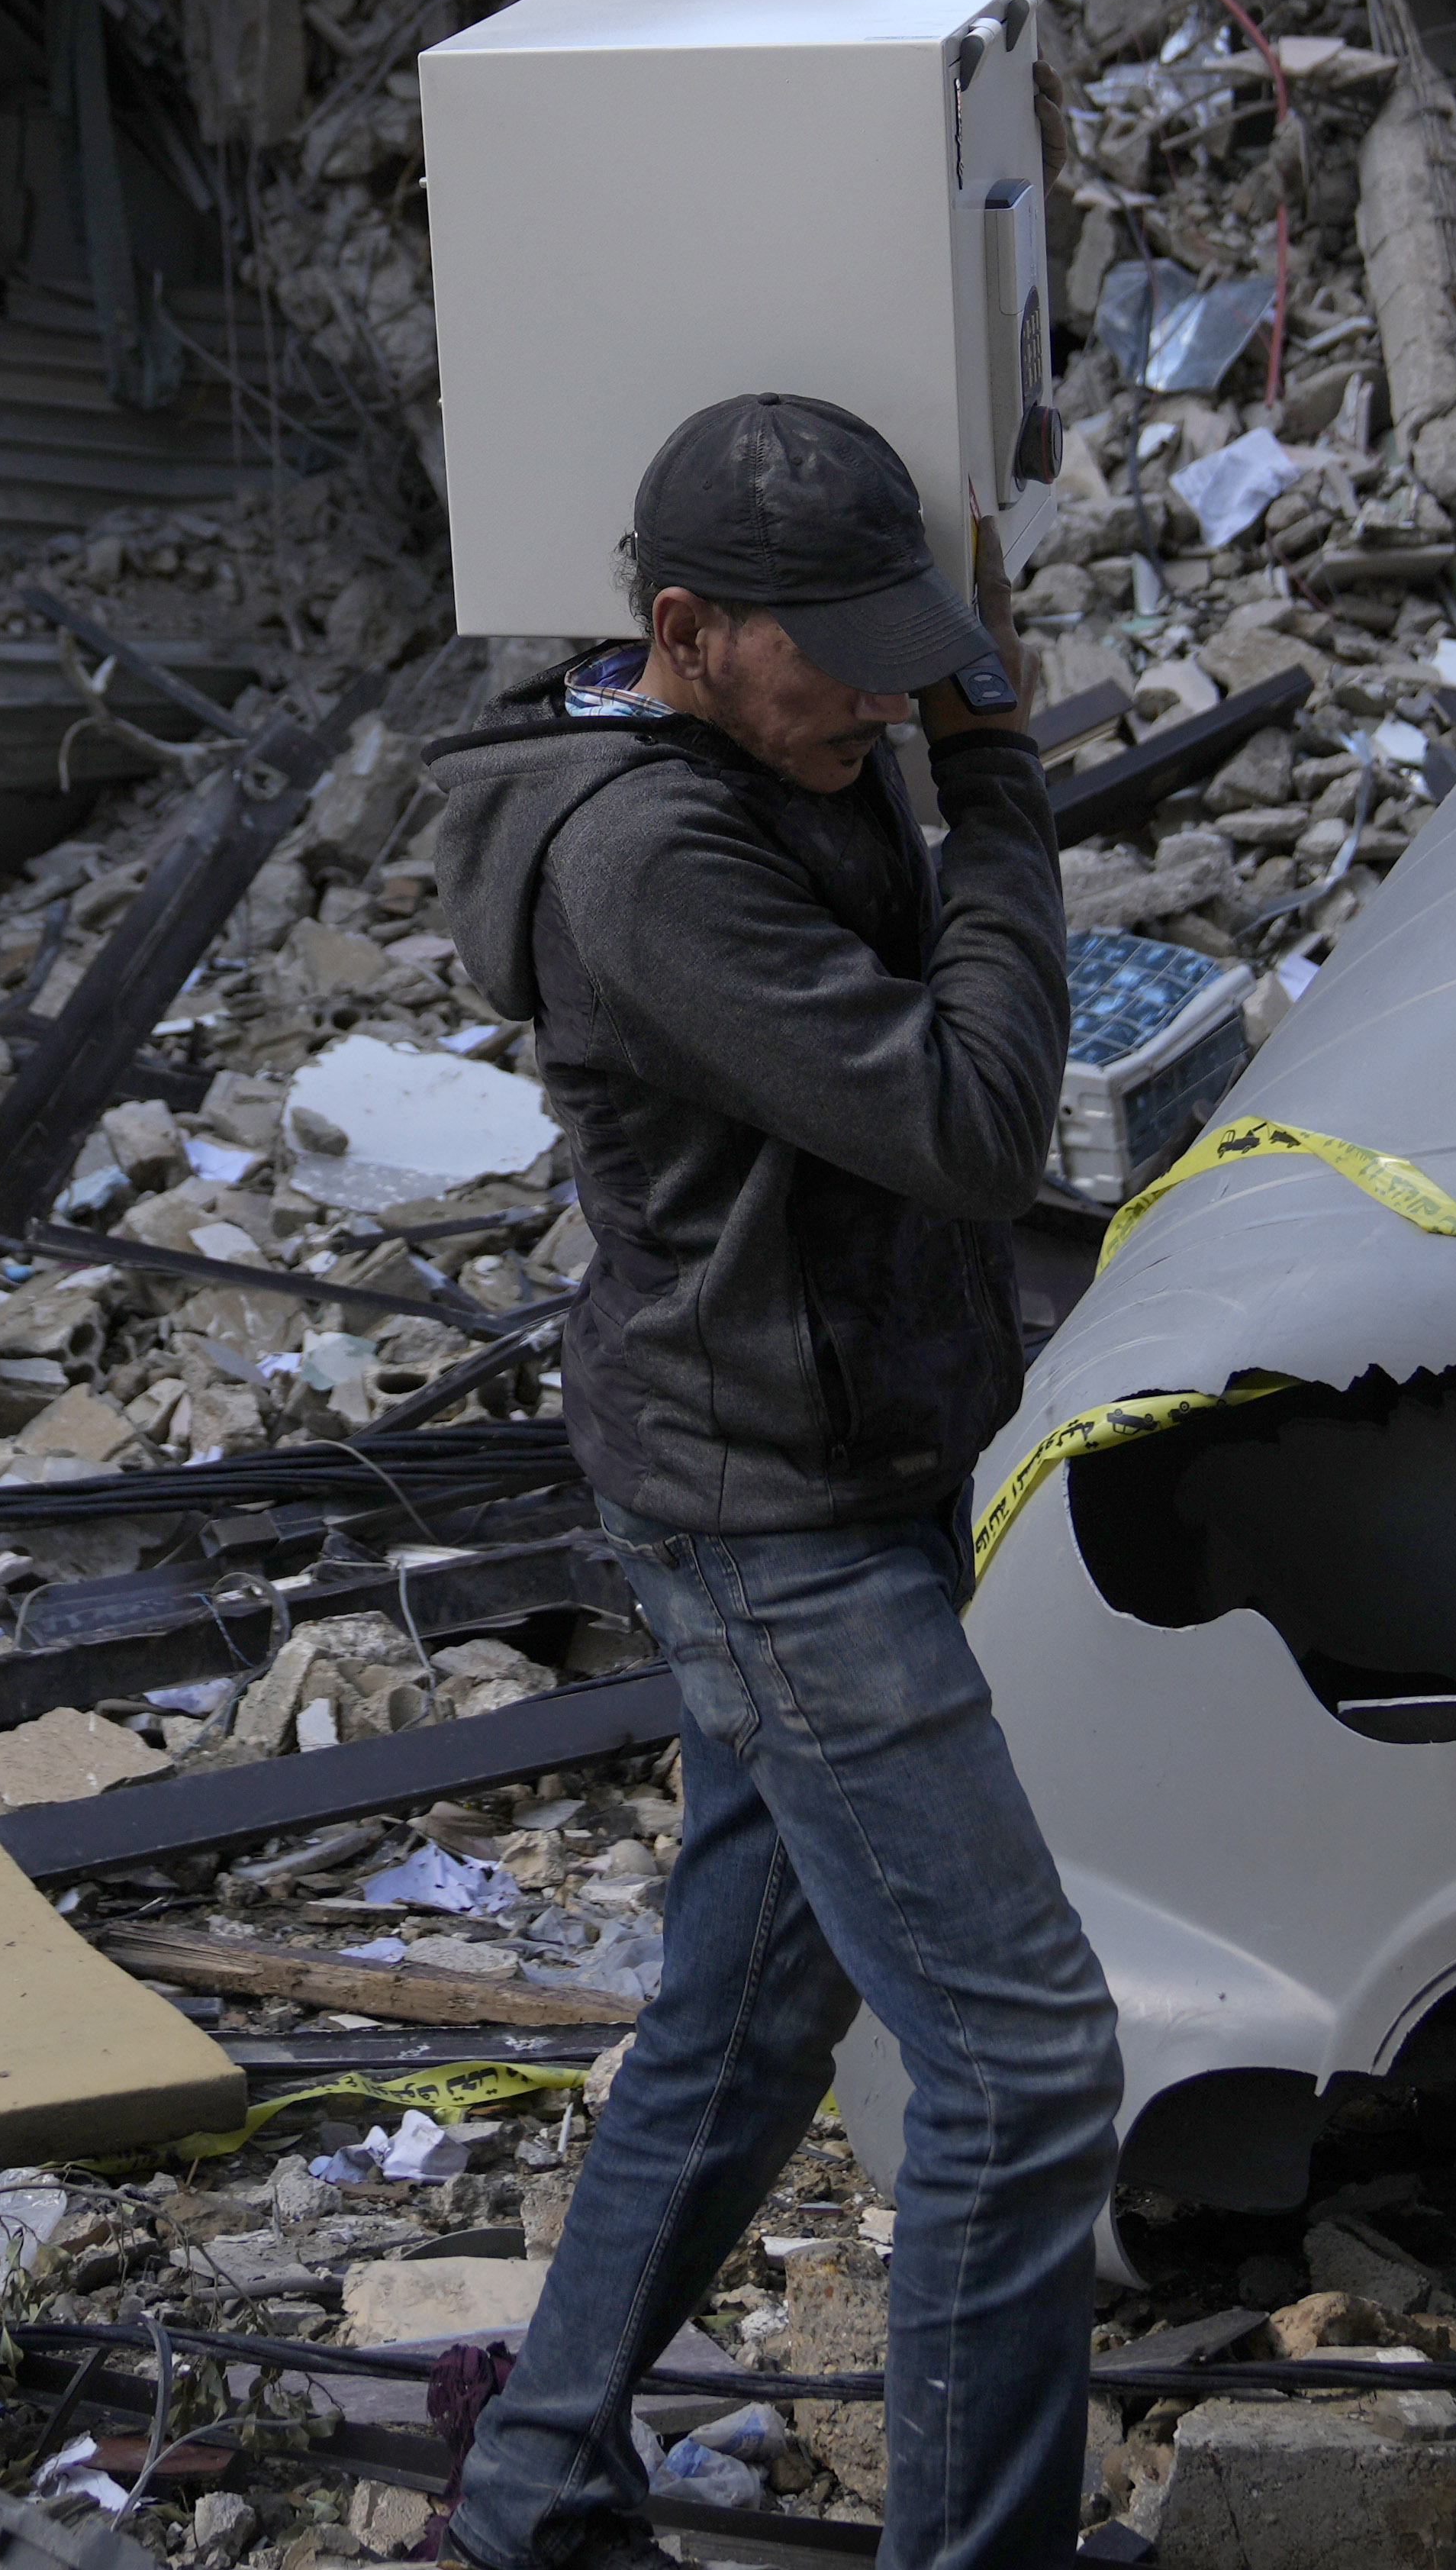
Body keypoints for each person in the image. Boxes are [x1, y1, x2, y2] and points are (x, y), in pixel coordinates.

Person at [426, 392, 1110, 2570]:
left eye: (909, 659)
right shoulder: (652, 861)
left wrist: (929, 732)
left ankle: (534, 2486)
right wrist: (998, 786)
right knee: (1022, 2069)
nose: (886, 704)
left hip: (835, 1463)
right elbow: (973, 1124)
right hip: (777, 1526)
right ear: (685, 631)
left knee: (742, 2022)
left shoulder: (781, 747)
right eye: (843, 662)